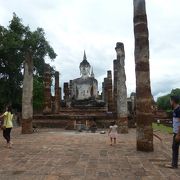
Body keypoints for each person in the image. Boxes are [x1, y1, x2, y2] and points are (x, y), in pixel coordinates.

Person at [166, 96, 180, 169]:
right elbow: (176, 122)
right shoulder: (175, 109)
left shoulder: (178, 110)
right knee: (174, 148)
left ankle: (174, 165)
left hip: (178, 134)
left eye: (170, 101)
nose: (170, 102)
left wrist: (178, 134)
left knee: (175, 148)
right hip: (176, 133)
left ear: (173, 101)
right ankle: (174, 164)